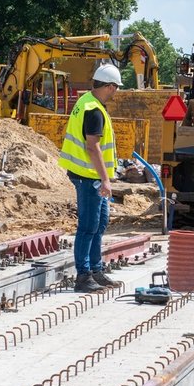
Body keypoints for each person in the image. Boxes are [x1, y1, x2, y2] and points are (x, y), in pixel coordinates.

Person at [58, 63, 124, 293]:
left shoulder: (87, 101)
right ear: (108, 86)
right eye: (115, 87)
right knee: (88, 226)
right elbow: (92, 147)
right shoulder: (93, 110)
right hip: (88, 177)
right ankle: (83, 275)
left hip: (90, 175)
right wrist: (106, 180)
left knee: (99, 223)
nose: (115, 92)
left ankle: (95, 270)